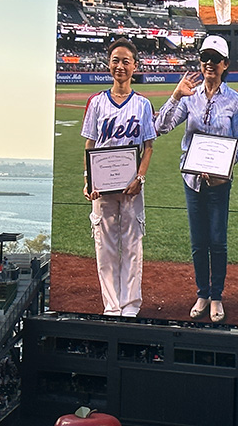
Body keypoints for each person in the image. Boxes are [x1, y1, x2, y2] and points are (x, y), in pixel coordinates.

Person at [155, 35, 238, 323]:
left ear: (225, 64)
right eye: (205, 58)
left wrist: (222, 168)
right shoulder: (190, 96)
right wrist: (175, 96)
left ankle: (216, 295)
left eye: (215, 59)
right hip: (192, 180)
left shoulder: (234, 100)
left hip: (219, 183)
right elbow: (161, 127)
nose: (209, 63)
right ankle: (202, 293)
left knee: (217, 241)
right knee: (198, 242)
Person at [82, 38, 156, 317]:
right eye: (116, 60)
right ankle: (111, 306)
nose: (120, 66)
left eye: (126, 61)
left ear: (135, 66)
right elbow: (89, 145)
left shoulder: (143, 104)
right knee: (105, 246)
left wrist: (140, 177)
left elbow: (148, 146)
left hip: (131, 185)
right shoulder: (97, 102)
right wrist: (88, 180)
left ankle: (130, 305)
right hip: (102, 185)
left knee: (133, 244)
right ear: (108, 65)